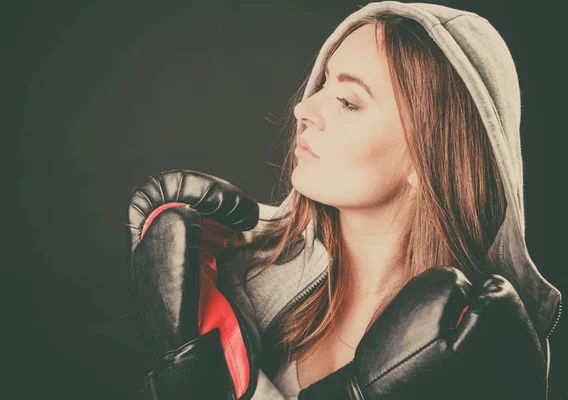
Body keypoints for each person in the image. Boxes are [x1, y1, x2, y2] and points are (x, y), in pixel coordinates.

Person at [124, 1, 562, 399]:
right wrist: (181, 368)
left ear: (428, 157)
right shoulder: (238, 266)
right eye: (324, 82)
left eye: (348, 101)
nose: (304, 108)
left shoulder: (477, 345)